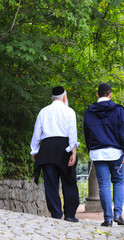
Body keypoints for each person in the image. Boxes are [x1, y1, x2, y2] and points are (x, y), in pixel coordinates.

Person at [83, 83, 124, 227]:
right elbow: (123, 131)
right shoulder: (117, 110)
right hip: (115, 152)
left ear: (97, 94)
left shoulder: (89, 111)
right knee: (118, 181)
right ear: (110, 94)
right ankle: (118, 213)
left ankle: (108, 218)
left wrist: (90, 148)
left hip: (98, 153)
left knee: (103, 185)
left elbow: (87, 133)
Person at [30, 86, 80, 222]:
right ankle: (69, 215)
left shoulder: (43, 111)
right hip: (64, 148)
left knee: (51, 184)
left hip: (47, 149)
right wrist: (73, 151)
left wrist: (34, 150)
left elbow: (37, 132)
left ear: (52, 97)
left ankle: (56, 214)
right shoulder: (69, 111)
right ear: (64, 97)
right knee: (69, 181)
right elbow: (72, 133)